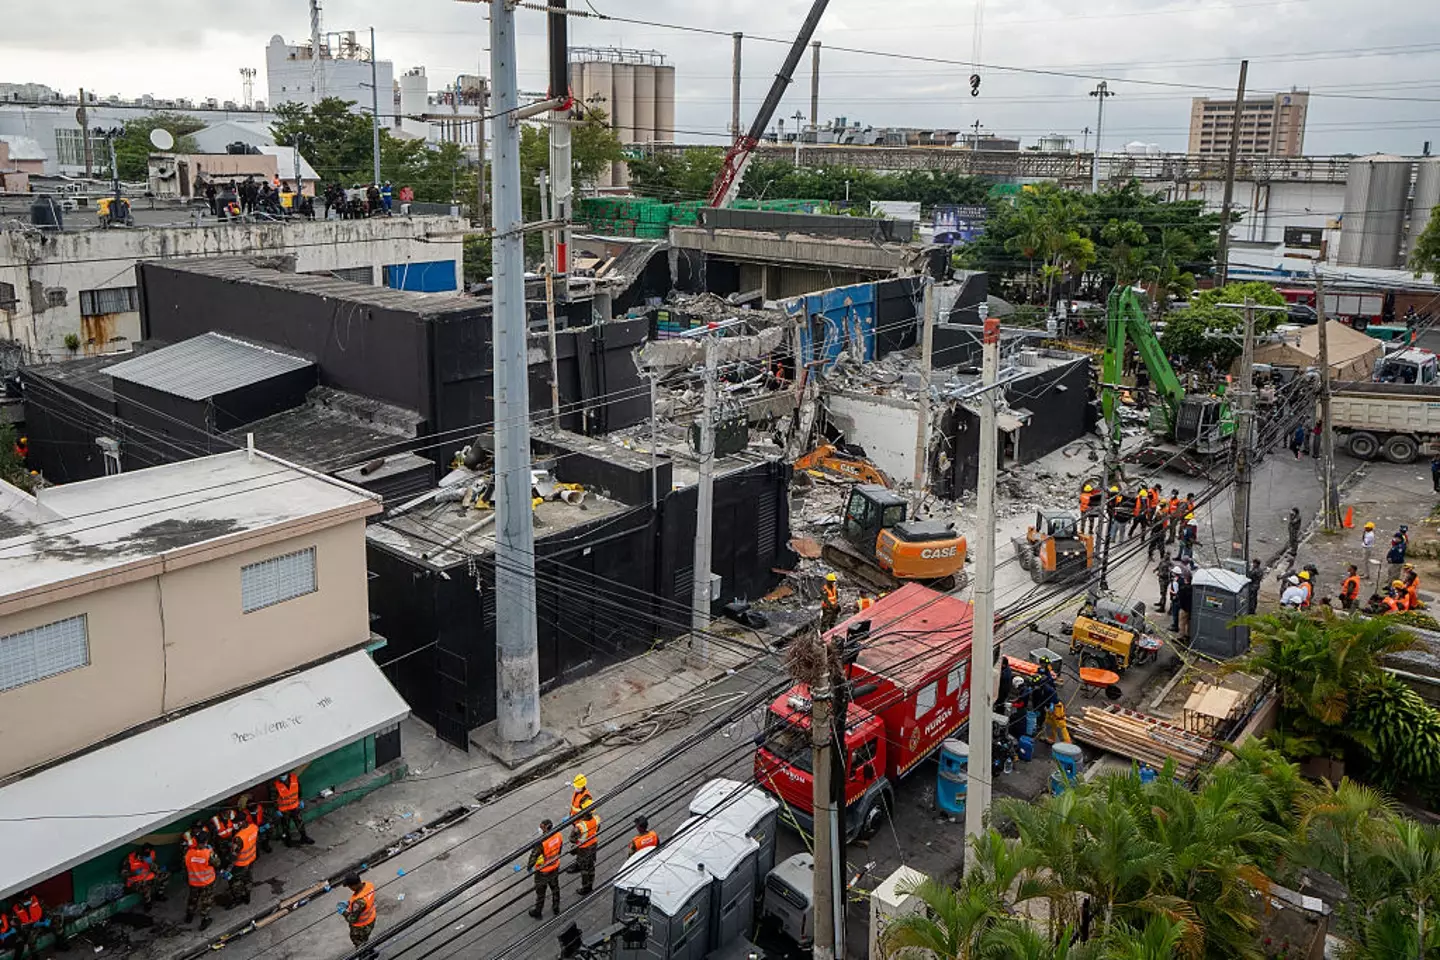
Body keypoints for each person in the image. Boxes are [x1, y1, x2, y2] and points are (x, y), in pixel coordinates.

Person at [527, 820, 563, 918]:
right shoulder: (558, 835)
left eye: (541, 827)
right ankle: (556, 907)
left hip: (543, 871)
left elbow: (533, 856)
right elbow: (559, 850)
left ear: (546, 828)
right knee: (555, 888)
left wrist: (529, 867)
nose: (539, 828)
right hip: (555, 866)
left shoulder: (541, 842)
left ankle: (538, 912)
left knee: (541, 893)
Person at [184, 837, 220, 930]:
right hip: (206, 883)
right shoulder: (208, 854)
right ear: (206, 842)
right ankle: (204, 921)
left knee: (193, 899)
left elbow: (185, 863)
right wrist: (213, 852)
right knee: (206, 901)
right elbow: (217, 863)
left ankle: (189, 916)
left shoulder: (189, 853)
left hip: (194, 882)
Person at [272, 771, 313, 846]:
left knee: (300, 823)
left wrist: (300, 800)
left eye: (283, 775)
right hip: (284, 810)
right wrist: (277, 809)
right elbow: (273, 799)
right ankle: (288, 841)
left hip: (295, 807)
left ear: (287, 774)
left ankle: (304, 837)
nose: (282, 777)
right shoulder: (275, 785)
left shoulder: (294, 779)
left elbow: (299, 790)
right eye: (281, 775)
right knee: (285, 826)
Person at [229, 814, 260, 907]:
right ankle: (247, 895)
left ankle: (238, 898)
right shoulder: (254, 827)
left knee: (235, 881)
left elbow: (234, 855)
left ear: (241, 822)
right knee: (248, 877)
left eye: (235, 823)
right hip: (251, 858)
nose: (234, 825)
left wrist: (228, 868)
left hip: (241, 863)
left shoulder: (239, 837)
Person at [571, 797, 599, 895]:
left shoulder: (579, 826)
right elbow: (597, 829)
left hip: (583, 849)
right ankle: (590, 885)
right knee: (591, 866)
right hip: (593, 845)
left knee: (584, 869)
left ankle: (585, 888)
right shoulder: (597, 819)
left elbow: (572, 839)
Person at [10, 890, 50, 960]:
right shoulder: (15, 908)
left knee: (57, 918)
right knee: (30, 937)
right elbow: (15, 924)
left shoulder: (36, 899)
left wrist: (46, 919)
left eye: (28, 898)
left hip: (40, 923)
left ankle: (61, 942)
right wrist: (22, 927)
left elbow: (46, 910)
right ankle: (35, 956)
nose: (27, 901)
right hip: (27, 929)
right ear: (20, 900)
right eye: (24, 900)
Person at [122, 846, 164, 911]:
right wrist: (138, 875)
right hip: (135, 881)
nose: (144, 858)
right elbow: (124, 874)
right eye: (143, 857)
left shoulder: (148, 858)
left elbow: (155, 869)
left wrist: (154, 868)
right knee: (146, 888)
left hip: (146, 877)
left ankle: (159, 894)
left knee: (165, 875)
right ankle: (148, 903)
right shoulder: (130, 859)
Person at [342, 873, 377, 951]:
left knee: (359, 942)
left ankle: (366, 955)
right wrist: (350, 903)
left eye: (350, 886)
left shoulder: (358, 902)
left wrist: (343, 912)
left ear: (354, 885)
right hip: (371, 919)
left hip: (361, 926)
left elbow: (352, 919)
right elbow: (364, 902)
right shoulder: (369, 885)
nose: (350, 888)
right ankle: (370, 951)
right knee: (365, 939)